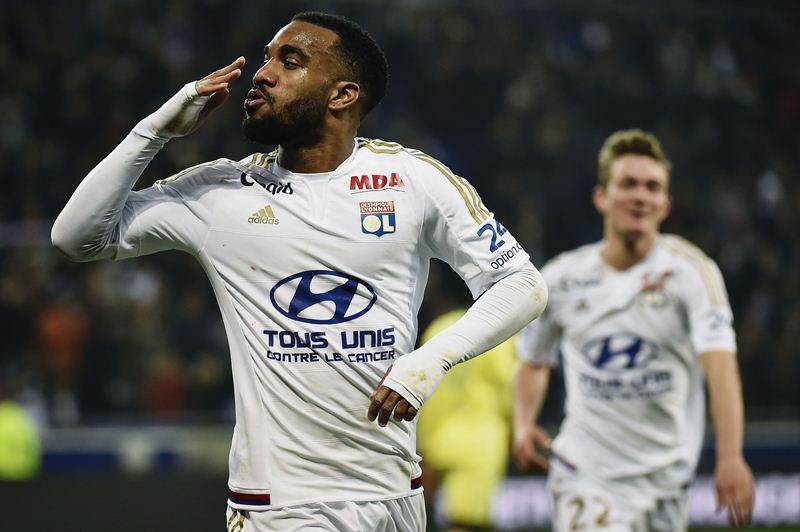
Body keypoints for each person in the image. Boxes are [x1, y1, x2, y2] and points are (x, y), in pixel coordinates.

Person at [51, 12, 547, 531]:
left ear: (342, 95)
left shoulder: (412, 180)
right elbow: (76, 238)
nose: (263, 73)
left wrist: (432, 361)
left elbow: (521, 285)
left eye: (290, 62)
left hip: (396, 492)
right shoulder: (219, 192)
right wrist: (152, 131)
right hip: (282, 505)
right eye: (267, 58)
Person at [512, 129, 754, 531]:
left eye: (652, 187)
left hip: (667, 478)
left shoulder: (693, 272)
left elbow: (721, 370)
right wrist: (523, 423)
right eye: (627, 184)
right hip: (584, 474)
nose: (640, 195)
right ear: (601, 197)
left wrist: (731, 456)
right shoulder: (561, 278)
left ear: (665, 204)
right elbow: (533, 361)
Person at [416, 307, 518, 531]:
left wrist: (422, 448)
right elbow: (508, 387)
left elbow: (425, 393)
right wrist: (516, 432)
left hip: (440, 438)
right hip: (480, 440)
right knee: (469, 522)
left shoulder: (437, 328)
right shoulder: (496, 331)